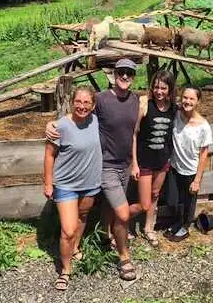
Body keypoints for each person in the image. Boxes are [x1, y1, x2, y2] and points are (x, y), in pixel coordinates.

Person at [46, 58, 139, 281]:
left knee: (88, 212)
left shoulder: (136, 100)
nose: (124, 76)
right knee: (122, 213)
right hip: (100, 169)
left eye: (129, 72)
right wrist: (50, 124)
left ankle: (96, 239)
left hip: (113, 170)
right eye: (120, 72)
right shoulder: (102, 100)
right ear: (113, 74)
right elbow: (74, 117)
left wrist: (134, 162)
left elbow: (154, 107)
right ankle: (123, 257)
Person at [44, 86, 102, 290]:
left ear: (93, 105)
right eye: (78, 102)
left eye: (87, 102)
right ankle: (65, 270)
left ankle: (75, 247)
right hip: (66, 184)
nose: (82, 106)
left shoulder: (96, 120)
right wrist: (48, 183)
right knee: (68, 230)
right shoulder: (61, 126)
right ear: (71, 102)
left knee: (83, 216)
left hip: (90, 182)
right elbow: (49, 154)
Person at [130, 70, 177, 247]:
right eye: (156, 87)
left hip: (162, 161)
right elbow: (134, 134)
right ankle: (120, 221)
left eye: (163, 88)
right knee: (143, 203)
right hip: (144, 161)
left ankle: (149, 227)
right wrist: (134, 163)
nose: (159, 91)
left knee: (155, 194)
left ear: (170, 89)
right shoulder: (145, 105)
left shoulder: (173, 108)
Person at [163, 85, 212, 242]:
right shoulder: (176, 115)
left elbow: (204, 153)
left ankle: (185, 226)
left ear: (198, 101)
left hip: (191, 170)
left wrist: (197, 180)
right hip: (174, 167)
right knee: (172, 199)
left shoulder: (203, 126)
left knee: (188, 202)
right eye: (185, 97)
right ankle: (177, 222)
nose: (187, 101)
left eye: (192, 98)